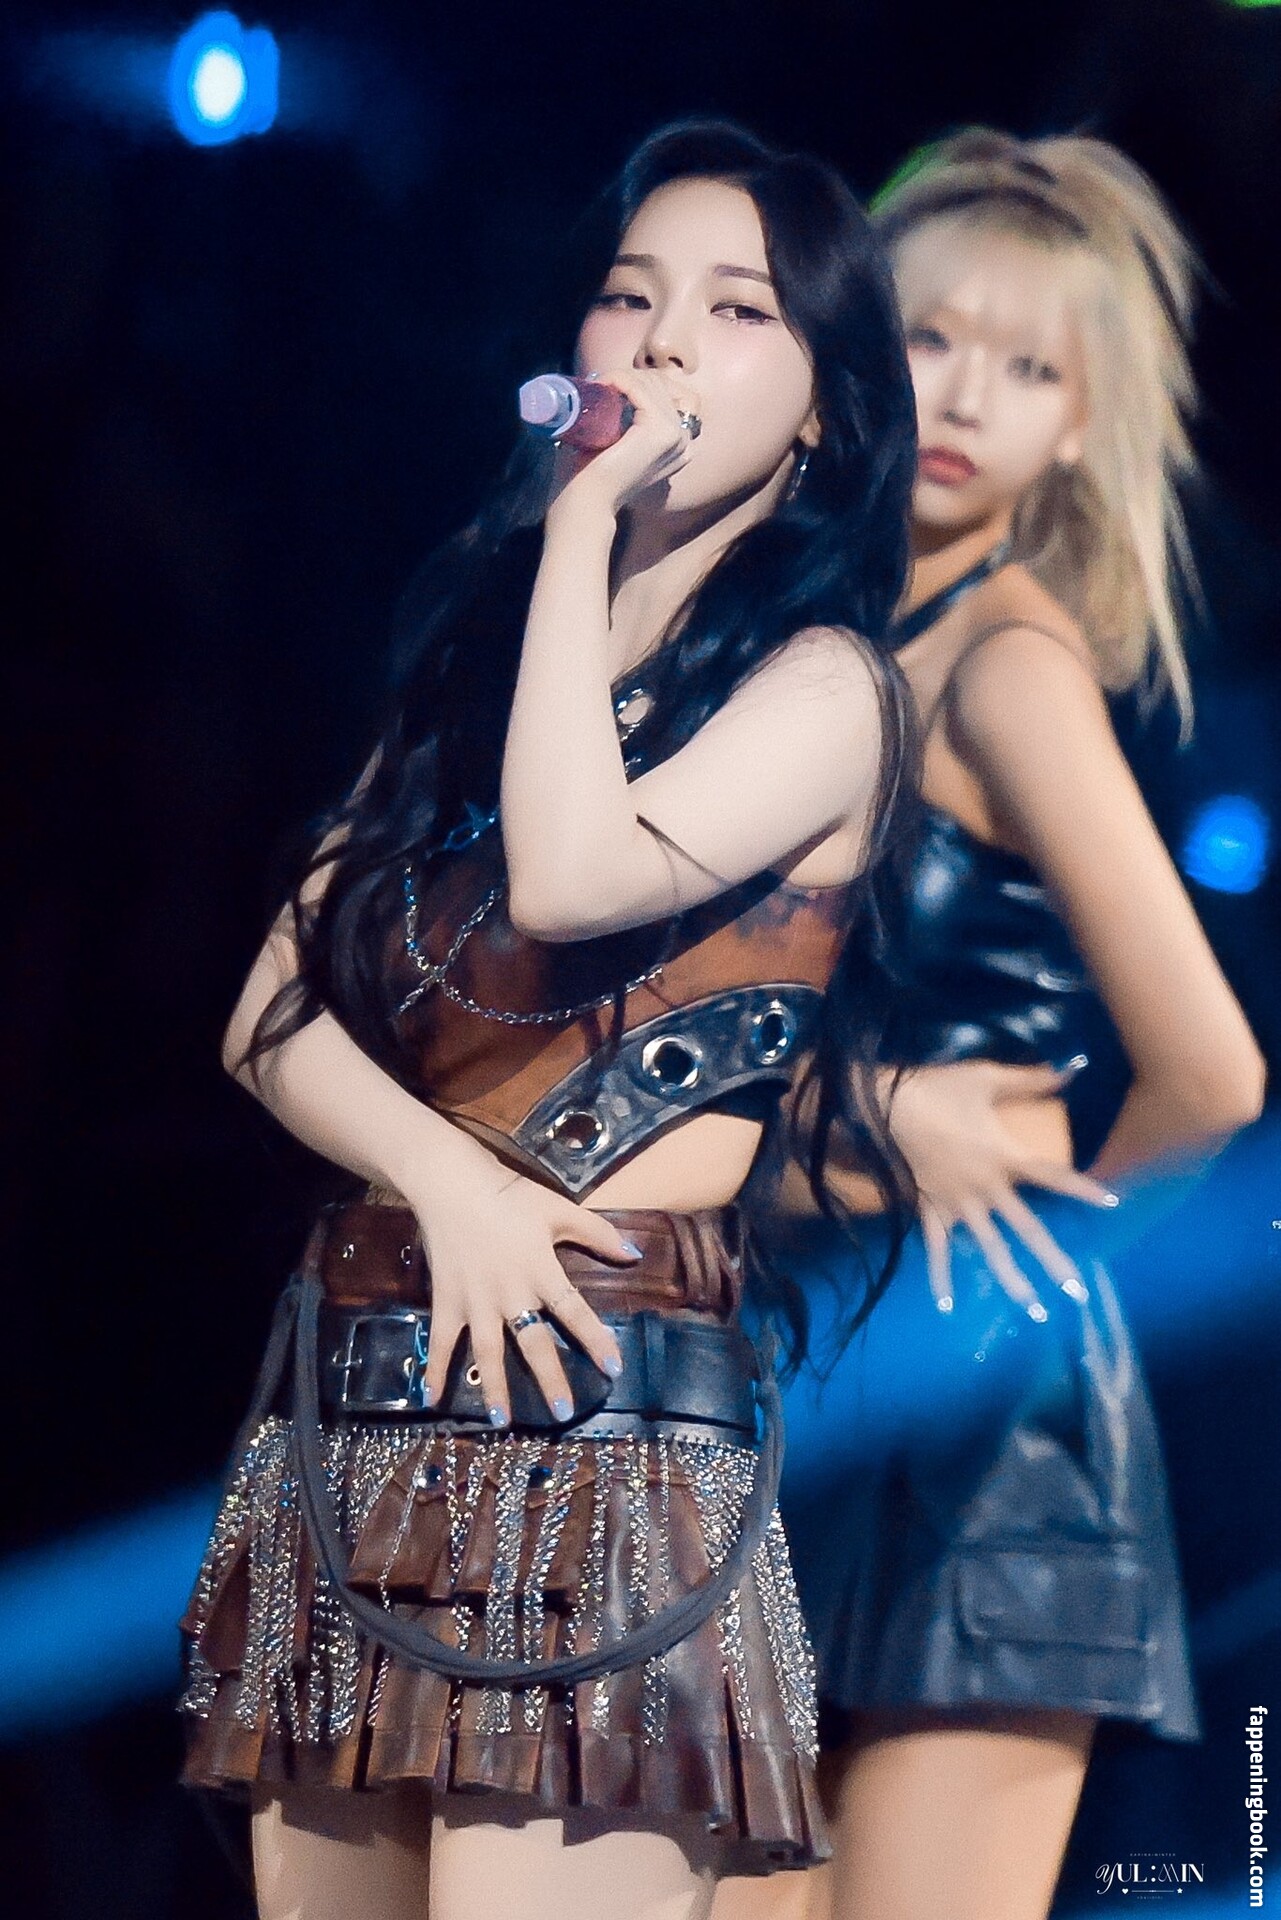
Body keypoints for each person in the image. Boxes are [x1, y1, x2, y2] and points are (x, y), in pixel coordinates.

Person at [178, 120, 924, 1920]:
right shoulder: (483, 654)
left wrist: (580, 519)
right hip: (365, 1385)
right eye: (626, 294)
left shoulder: (826, 687)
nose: (658, 341)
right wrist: (449, 1182)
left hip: (599, 1407)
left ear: (823, 416)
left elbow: (576, 877)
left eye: (735, 310)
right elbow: (270, 1007)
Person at [711, 129, 1265, 1920]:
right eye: (933, 336)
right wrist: (861, 1120)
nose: (963, 396)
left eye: (1030, 369)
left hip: (977, 1428)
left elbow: (1212, 1069)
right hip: (773, 1360)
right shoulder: (802, 629)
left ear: (1082, 428)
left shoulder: (1009, 666)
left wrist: (1054, 1262)